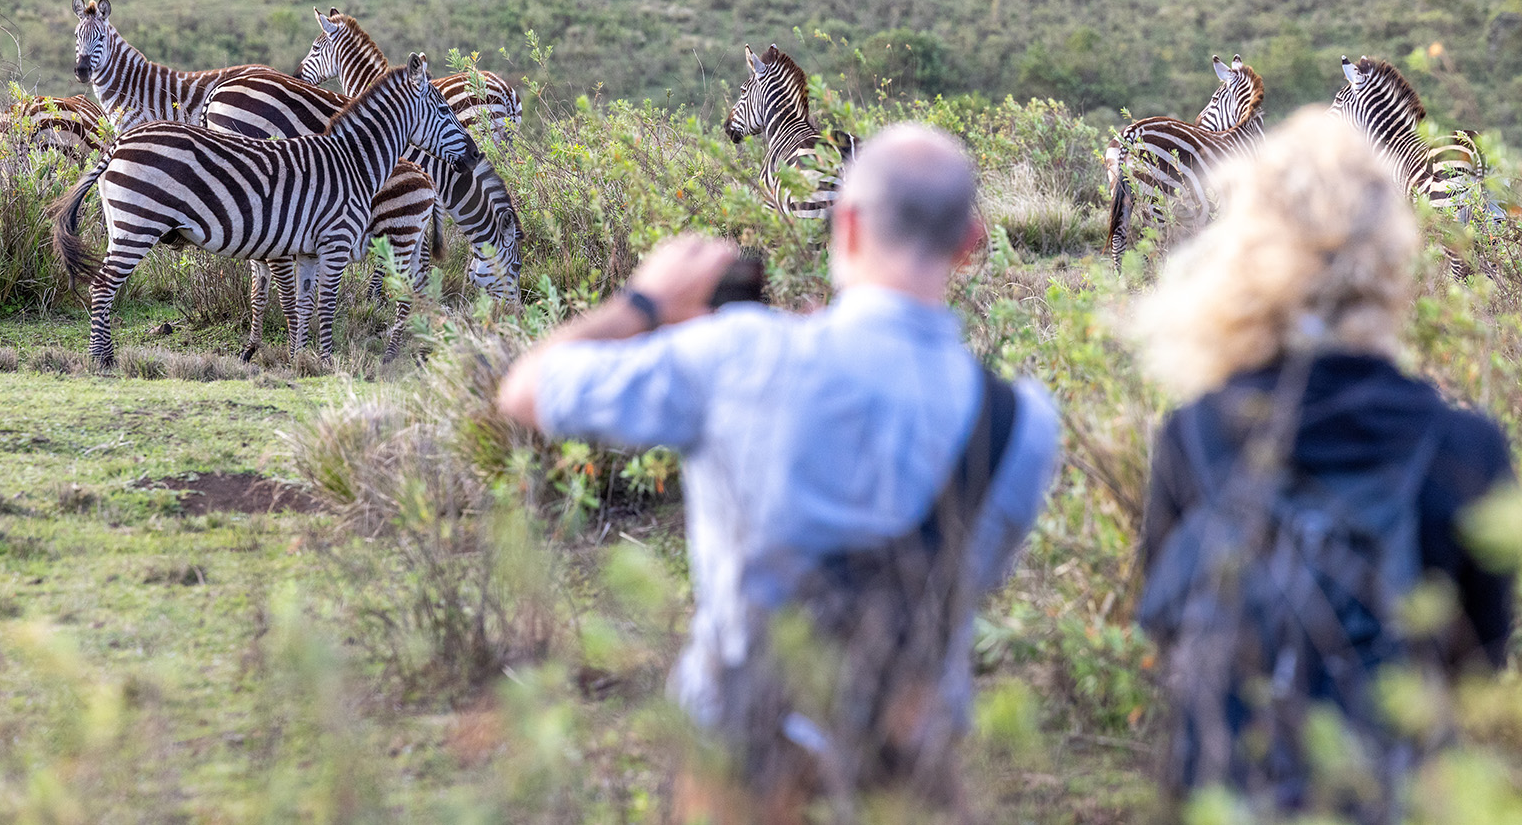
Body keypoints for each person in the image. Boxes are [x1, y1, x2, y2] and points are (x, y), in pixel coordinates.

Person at [497, 123, 1061, 817]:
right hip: (904, 775)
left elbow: (526, 389)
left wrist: (642, 302)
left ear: (846, 224)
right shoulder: (1027, 423)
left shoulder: (741, 355)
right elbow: (965, 579)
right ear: (970, 243)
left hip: (740, 762)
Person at [1132, 109, 1515, 822]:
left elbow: (1166, 628)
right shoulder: (1469, 449)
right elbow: (1481, 672)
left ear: (1252, 249)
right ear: (1395, 253)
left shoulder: (1195, 433)